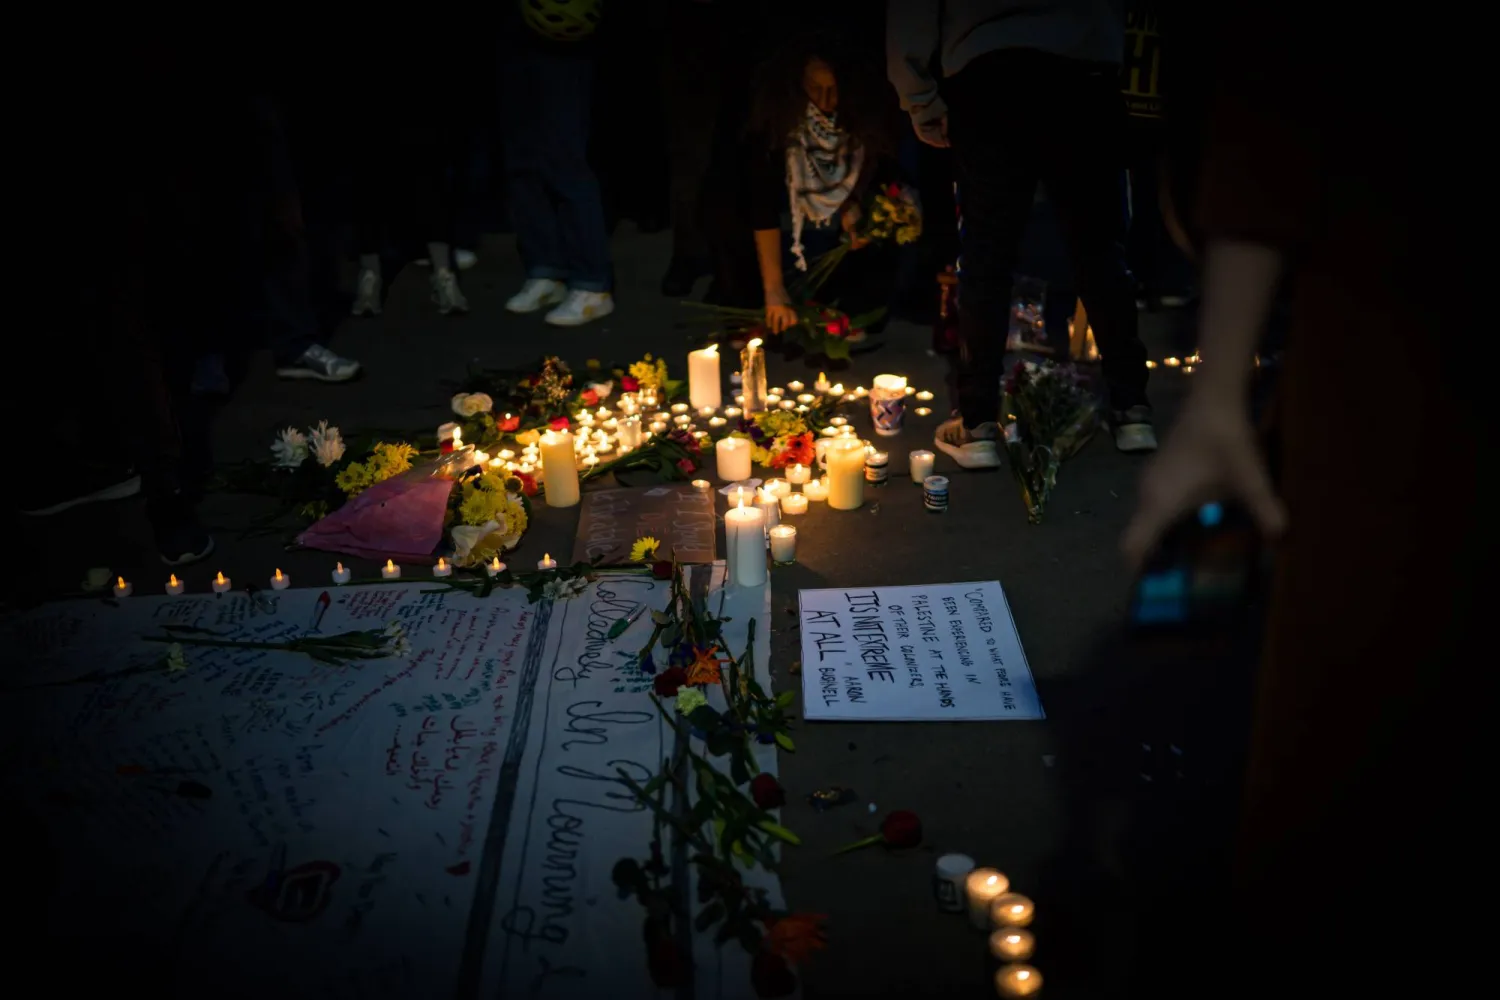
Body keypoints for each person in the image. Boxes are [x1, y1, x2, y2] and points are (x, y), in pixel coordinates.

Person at [1123, 5, 1482, 995]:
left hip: (1396, 365)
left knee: (1343, 721)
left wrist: (1218, 391)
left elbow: (1280, 88)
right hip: (1393, 347)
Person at [888, 0, 1156, 469]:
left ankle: (978, 426)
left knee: (986, 254)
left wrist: (920, 97)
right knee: (1099, 250)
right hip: (1084, 67)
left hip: (991, 70)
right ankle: (1132, 409)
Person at [702, 32, 896, 335]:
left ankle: (839, 309)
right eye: (815, 88)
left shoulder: (862, 117)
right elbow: (760, 201)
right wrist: (773, 288)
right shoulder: (775, 119)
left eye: (834, 89)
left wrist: (853, 205)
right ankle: (752, 304)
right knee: (728, 215)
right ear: (797, 82)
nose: (825, 100)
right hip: (777, 218)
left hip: (824, 229)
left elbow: (874, 169)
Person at [499, 0, 615, 326]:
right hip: (517, 25)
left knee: (565, 157)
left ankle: (592, 283)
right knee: (522, 156)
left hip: (563, 24)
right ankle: (547, 267)